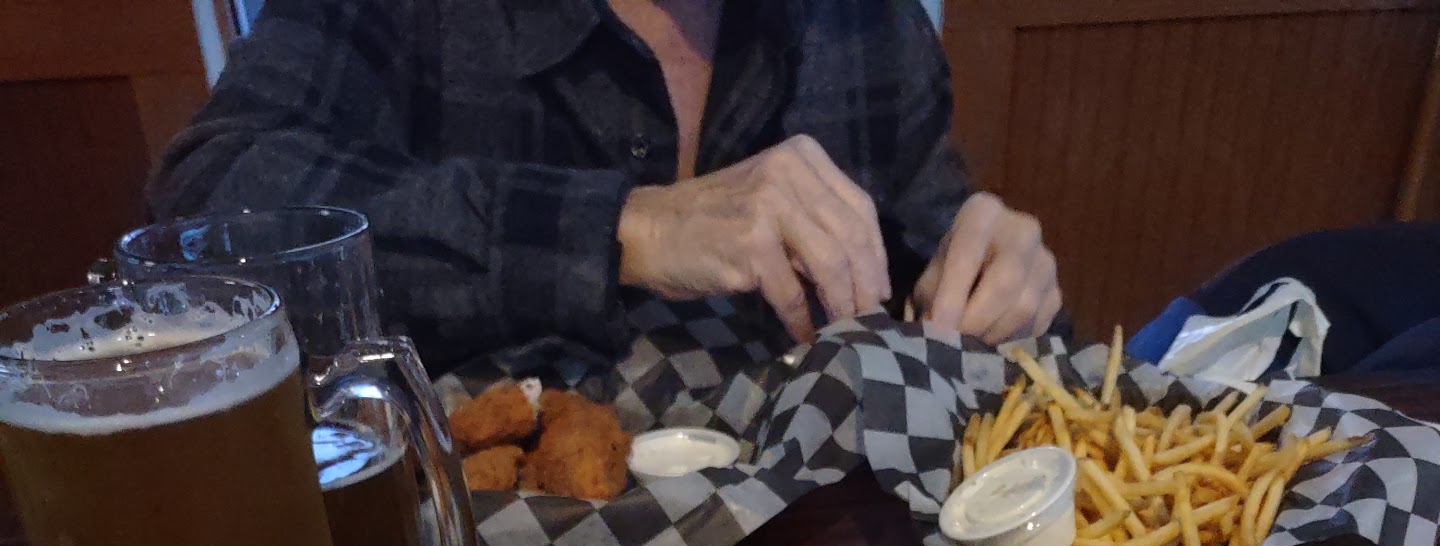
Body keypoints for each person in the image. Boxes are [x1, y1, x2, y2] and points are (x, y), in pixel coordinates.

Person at [150, 0, 1061, 373]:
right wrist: (624, 226)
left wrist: (997, 275)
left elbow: (931, 241)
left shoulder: (860, 19)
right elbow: (205, 213)